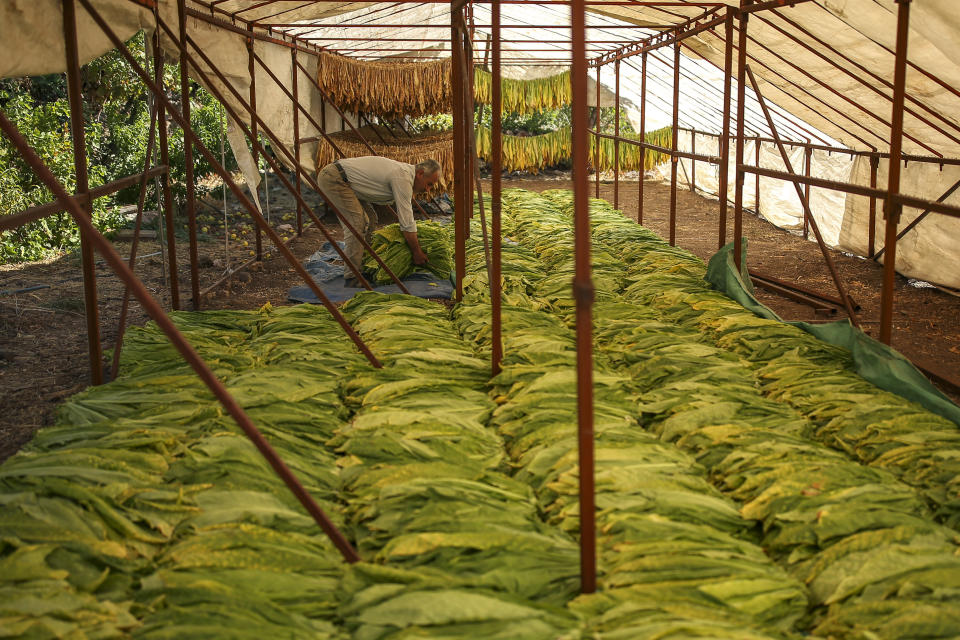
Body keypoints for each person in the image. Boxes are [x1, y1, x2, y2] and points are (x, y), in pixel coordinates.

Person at [317, 156, 441, 287]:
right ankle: (352, 276)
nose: (427, 190)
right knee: (357, 223)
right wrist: (417, 252)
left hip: (346, 181)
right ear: (420, 174)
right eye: (429, 184)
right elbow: (407, 222)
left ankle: (363, 265)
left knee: (370, 220)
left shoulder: (404, 174)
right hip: (335, 178)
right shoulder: (403, 178)